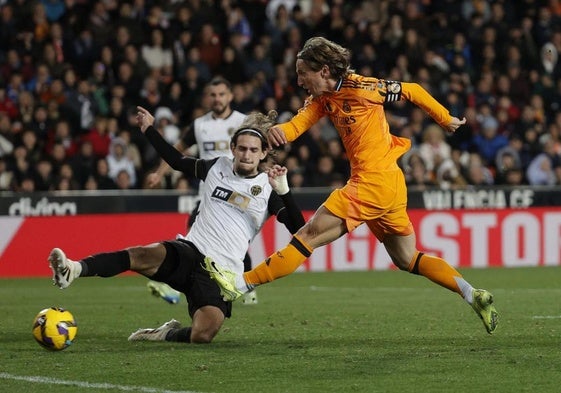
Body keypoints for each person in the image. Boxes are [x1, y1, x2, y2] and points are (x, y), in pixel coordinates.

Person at [205, 37, 499, 334]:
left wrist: (445, 119)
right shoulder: (322, 99)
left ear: (322, 70)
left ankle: (239, 284)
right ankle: (471, 293)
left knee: (307, 235)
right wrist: (279, 131)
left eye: (302, 72)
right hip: (389, 185)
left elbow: (412, 90)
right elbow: (298, 125)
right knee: (407, 258)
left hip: (373, 182)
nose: (298, 80)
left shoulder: (362, 88)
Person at [48, 106, 305, 344]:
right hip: (190, 250)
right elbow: (177, 160)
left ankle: (164, 333)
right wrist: (149, 129)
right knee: (139, 255)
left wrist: (285, 191)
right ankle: (74, 268)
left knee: (203, 334)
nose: (246, 155)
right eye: (242, 148)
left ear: (263, 153)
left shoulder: (268, 189)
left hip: (222, 275)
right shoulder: (217, 166)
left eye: (252, 150)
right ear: (233, 148)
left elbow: (299, 230)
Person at [146, 76, 259, 305]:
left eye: (221, 94)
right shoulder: (200, 125)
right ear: (208, 98)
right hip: (208, 193)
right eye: (213, 95)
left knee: (198, 238)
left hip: (235, 192)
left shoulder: (243, 122)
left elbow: (258, 152)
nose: (217, 99)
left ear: (230, 96)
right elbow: (177, 151)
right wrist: (159, 173)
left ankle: (176, 288)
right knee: (222, 242)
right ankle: (248, 288)